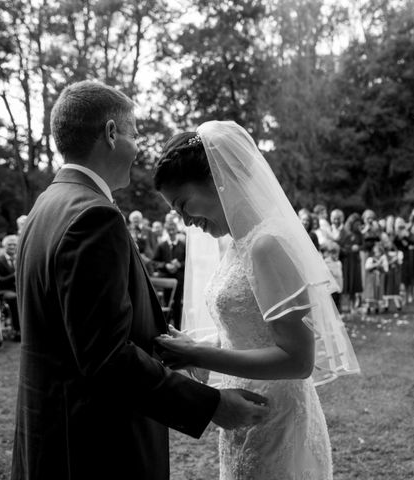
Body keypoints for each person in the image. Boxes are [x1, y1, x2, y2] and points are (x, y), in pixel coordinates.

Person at [11, 82, 268, 480]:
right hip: (94, 445)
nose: (137, 147)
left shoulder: (46, 206)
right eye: (134, 134)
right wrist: (211, 404)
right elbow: (106, 357)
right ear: (112, 133)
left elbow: (82, 329)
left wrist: (173, 345)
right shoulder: (94, 217)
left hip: (51, 430)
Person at [153, 120, 359, 480]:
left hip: (277, 415)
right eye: (176, 212)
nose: (185, 221)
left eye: (184, 204)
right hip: (241, 410)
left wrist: (197, 355)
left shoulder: (268, 244)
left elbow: (298, 360)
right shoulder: (234, 244)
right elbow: (245, 334)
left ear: (218, 181)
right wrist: (193, 345)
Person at [152, 221, 186, 329]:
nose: (171, 232)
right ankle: (166, 327)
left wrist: (179, 264)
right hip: (166, 279)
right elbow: (154, 262)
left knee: (178, 304)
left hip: (179, 279)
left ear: (176, 230)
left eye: (173, 229)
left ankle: (178, 327)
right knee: (167, 303)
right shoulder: (161, 245)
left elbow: (189, 262)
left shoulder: (183, 245)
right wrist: (165, 265)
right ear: (166, 231)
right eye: (169, 230)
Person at [0, 234, 20, 341]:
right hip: (5, 290)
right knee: (14, 298)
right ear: (4, 246)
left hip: (20, 289)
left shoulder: (20, 258)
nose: (12, 247)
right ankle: (18, 330)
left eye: (14, 244)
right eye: (9, 245)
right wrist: (14, 276)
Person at [339, 213, 363, 310]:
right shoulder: (344, 232)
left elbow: (363, 244)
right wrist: (350, 248)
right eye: (356, 223)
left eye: (359, 223)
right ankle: (346, 306)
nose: (358, 225)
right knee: (347, 282)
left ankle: (353, 306)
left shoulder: (359, 234)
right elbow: (340, 245)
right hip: (346, 261)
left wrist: (359, 247)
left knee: (354, 283)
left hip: (355, 261)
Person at [364, 243, 388, 313]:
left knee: (377, 292)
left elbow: (386, 269)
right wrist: (376, 264)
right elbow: (367, 267)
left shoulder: (383, 259)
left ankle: (376, 307)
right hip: (371, 278)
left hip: (378, 278)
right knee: (370, 292)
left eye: (378, 251)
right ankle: (368, 308)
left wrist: (381, 266)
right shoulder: (371, 259)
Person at [322, 242, 343, 309]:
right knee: (332, 307)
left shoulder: (338, 263)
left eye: (337, 253)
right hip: (331, 289)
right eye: (334, 253)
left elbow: (340, 276)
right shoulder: (327, 262)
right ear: (330, 253)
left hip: (338, 288)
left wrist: (341, 287)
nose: (337, 255)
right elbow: (335, 274)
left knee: (337, 306)